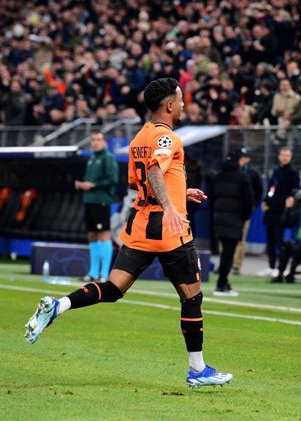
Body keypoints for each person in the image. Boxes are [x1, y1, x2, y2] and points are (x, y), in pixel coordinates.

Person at [24, 78, 232, 388]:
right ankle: (197, 370)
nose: (184, 104)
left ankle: (60, 305)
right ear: (169, 105)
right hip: (168, 229)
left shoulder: (139, 138)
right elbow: (153, 172)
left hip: (140, 225)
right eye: (180, 98)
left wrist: (180, 193)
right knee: (192, 297)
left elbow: (139, 184)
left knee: (114, 288)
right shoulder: (166, 139)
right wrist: (172, 207)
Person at [75, 132, 118, 283]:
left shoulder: (108, 158)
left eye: (99, 140)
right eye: (93, 140)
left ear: (105, 142)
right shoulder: (92, 158)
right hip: (89, 200)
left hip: (101, 200)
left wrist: (92, 185)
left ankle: (104, 274)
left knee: (103, 234)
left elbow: (113, 179)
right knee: (92, 235)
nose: (95, 143)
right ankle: (93, 272)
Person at [210, 149, 254, 296]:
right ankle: (221, 284)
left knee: (225, 252)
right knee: (229, 253)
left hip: (219, 218)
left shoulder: (218, 177)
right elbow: (249, 201)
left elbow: (210, 198)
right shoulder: (243, 177)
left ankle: (224, 282)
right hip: (235, 219)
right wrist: (245, 217)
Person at [257, 147, 300, 277]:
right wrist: (265, 201)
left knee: (280, 241)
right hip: (271, 210)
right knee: (270, 240)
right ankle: (271, 266)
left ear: (291, 157)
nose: (285, 157)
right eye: (283, 155)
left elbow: (295, 191)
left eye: (288, 155)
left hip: (282, 211)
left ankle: (281, 268)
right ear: (279, 156)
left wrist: (290, 203)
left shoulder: (293, 173)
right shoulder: (275, 171)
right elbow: (271, 189)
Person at [231, 147, 262, 275]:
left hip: (244, 210)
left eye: (245, 158)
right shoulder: (232, 171)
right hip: (231, 209)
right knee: (226, 238)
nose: (243, 160)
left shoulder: (253, 174)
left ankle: (236, 264)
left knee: (240, 238)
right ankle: (226, 262)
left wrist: (253, 205)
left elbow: (259, 191)